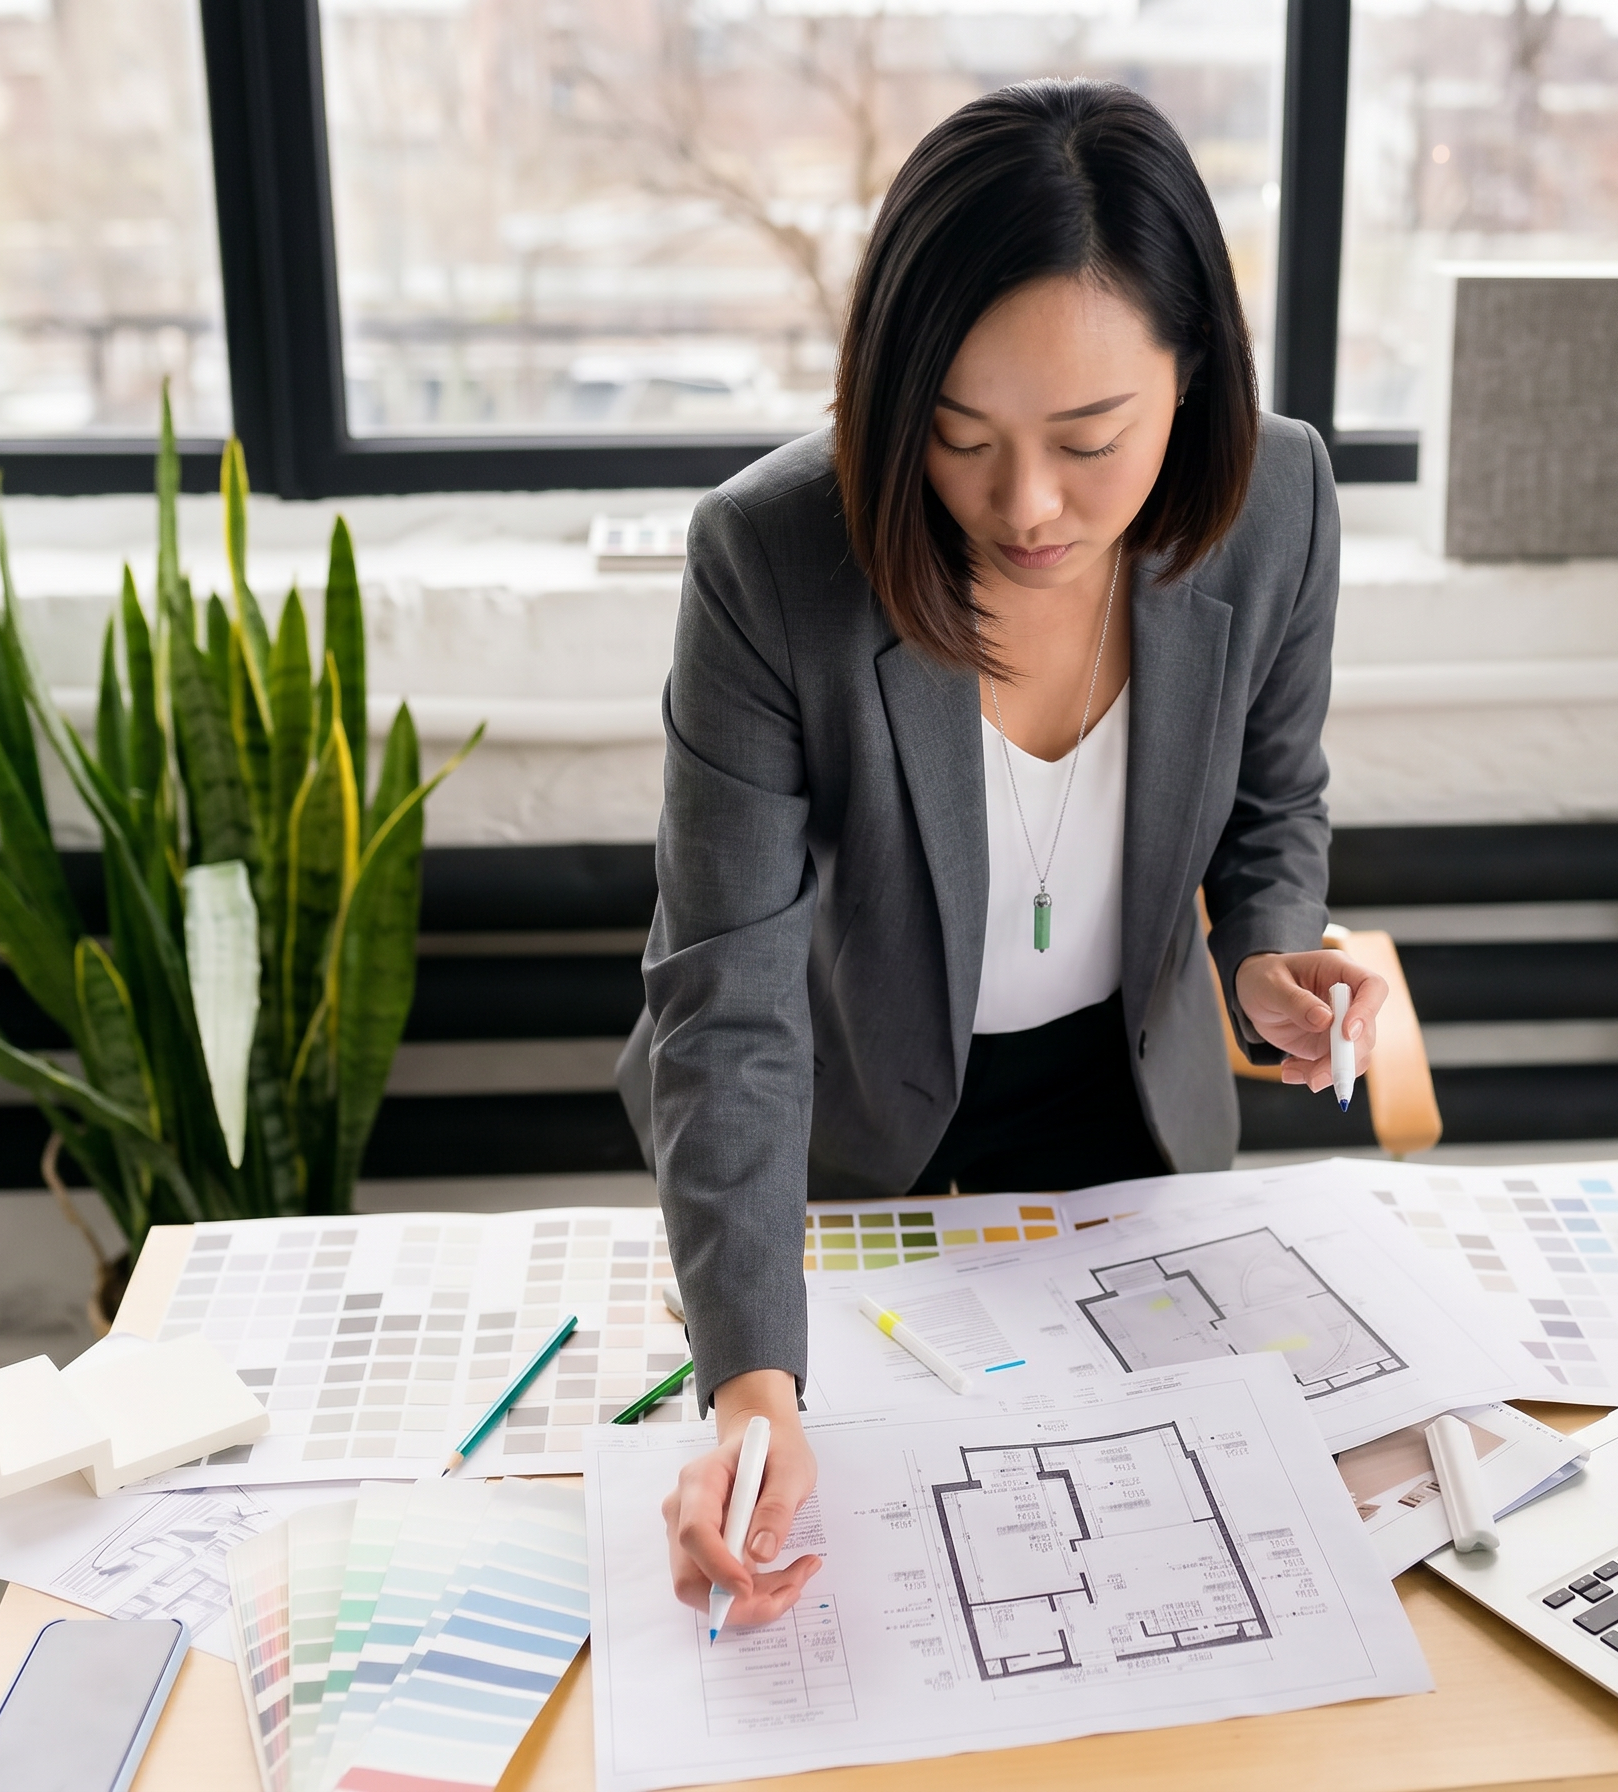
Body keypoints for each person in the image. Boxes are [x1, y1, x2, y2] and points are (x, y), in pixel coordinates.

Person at [616, 78, 1386, 1633]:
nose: (1027, 507)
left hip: (1127, 1109)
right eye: (961, 441)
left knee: (1135, 1586)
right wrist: (752, 1390)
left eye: (1092, 440)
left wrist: (1267, 954)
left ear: (1194, 384)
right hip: (845, 1126)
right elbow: (730, 1001)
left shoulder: (1281, 498)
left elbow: (1272, 806)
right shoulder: (772, 558)